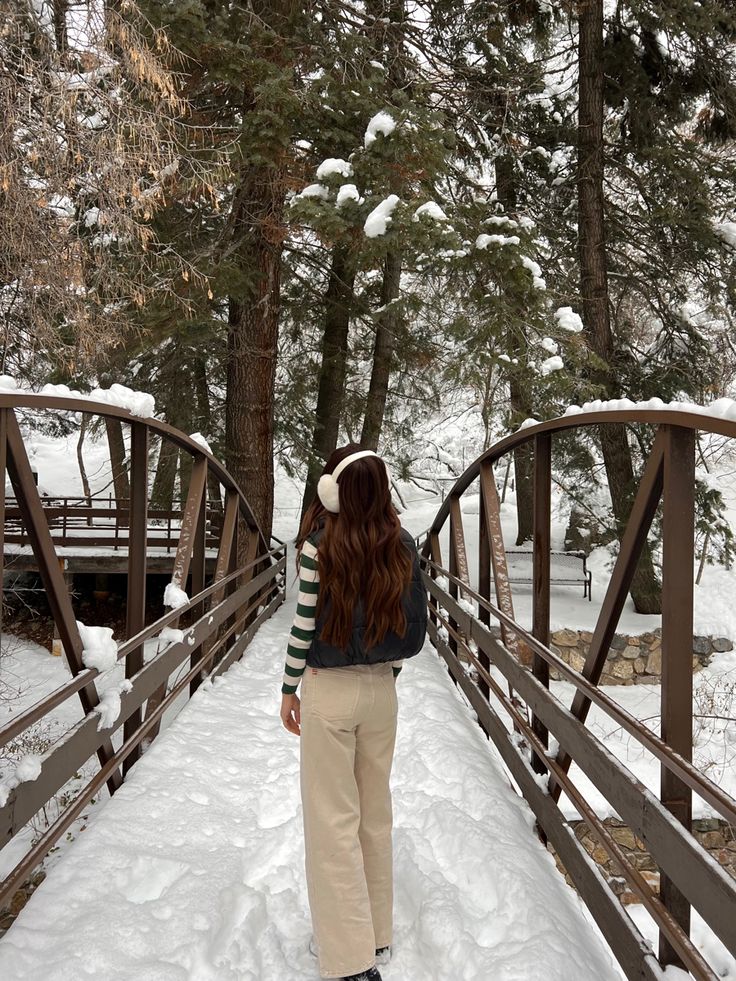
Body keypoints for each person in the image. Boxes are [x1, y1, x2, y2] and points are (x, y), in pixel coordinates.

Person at [280, 444, 428, 981]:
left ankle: (349, 959)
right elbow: (408, 623)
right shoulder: (402, 545)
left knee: (331, 822)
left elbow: (302, 628)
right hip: (381, 694)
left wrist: (288, 688)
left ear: (333, 492)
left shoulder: (319, 547)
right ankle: (378, 934)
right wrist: (383, 674)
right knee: (373, 813)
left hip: (330, 692)